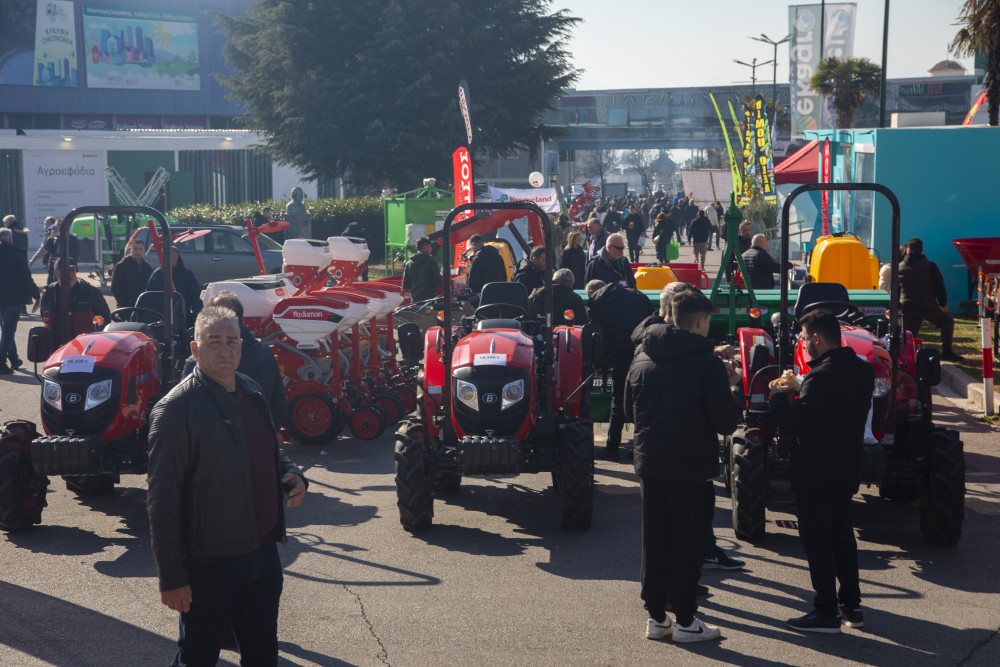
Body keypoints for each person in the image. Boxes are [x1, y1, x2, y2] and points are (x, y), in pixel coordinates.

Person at [148, 306, 308, 665]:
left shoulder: (250, 390)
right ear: (195, 348)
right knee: (198, 657)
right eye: (214, 341)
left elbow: (269, 451)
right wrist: (172, 576)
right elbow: (162, 501)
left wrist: (294, 473)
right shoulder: (175, 411)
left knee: (263, 655)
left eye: (231, 341)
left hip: (262, 555)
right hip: (209, 565)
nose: (225, 350)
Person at [625, 289, 742, 643]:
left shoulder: (643, 354)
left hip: (650, 460)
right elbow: (725, 421)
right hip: (690, 466)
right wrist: (732, 387)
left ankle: (657, 616)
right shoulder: (706, 363)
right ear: (701, 321)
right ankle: (687, 619)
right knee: (688, 541)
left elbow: (629, 411)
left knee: (656, 538)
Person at [769, 309, 874, 634]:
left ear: (816, 338)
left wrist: (780, 399)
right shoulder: (862, 370)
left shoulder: (819, 377)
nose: (802, 344)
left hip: (814, 471)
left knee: (817, 540)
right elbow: (835, 410)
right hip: (846, 467)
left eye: (803, 338)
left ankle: (826, 609)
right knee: (843, 535)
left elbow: (795, 425)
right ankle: (852, 605)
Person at [182, 292, 288, 431]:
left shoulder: (196, 362)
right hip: (256, 442)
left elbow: (183, 414)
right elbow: (278, 406)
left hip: (210, 448)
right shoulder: (265, 354)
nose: (225, 353)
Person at [586, 279, 655, 461]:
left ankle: (612, 448)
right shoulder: (637, 295)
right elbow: (651, 319)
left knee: (618, 399)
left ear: (592, 291)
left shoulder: (595, 302)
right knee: (645, 399)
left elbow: (596, 332)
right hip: (644, 352)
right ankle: (643, 446)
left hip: (621, 353)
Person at [898, 237, 960, 362]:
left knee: (910, 336)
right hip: (927, 306)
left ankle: (908, 359)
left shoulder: (899, 266)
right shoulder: (929, 265)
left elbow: (895, 290)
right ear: (921, 250)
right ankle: (947, 352)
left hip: (907, 308)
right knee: (947, 322)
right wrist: (943, 303)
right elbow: (939, 286)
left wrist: (898, 306)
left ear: (908, 250)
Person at [40, 258, 112, 346]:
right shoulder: (49, 293)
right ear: (56, 273)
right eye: (64, 271)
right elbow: (45, 318)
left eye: (72, 270)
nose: (69, 274)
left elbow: (104, 319)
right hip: (56, 346)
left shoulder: (91, 292)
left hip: (85, 346)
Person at [0, 228, 40, 375]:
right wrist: (37, 294)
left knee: (6, 331)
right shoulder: (16, 255)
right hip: (13, 298)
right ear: (10, 240)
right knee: (8, 331)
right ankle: (1, 362)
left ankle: (14, 359)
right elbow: (26, 279)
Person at [147, 247, 204, 329]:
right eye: (165, 256)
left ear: (177, 257)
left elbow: (195, 296)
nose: (167, 259)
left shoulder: (187, 275)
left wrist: (199, 315)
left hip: (182, 314)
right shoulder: (156, 274)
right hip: (160, 315)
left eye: (171, 256)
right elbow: (149, 294)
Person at [111, 238, 154, 309]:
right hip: (126, 309)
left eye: (140, 249)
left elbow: (151, 287)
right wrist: (124, 305)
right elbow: (115, 289)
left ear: (144, 250)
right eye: (135, 249)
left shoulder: (147, 267)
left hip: (143, 308)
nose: (138, 251)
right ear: (131, 250)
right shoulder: (121, 266)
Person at [402, 237, 441, 303]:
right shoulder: (431, 261)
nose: (431, 249)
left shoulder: (409, 263)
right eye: (430, 246)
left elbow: (405, 285)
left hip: (415, 300)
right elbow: (437, 282)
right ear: (425, 247)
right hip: (430, 300)